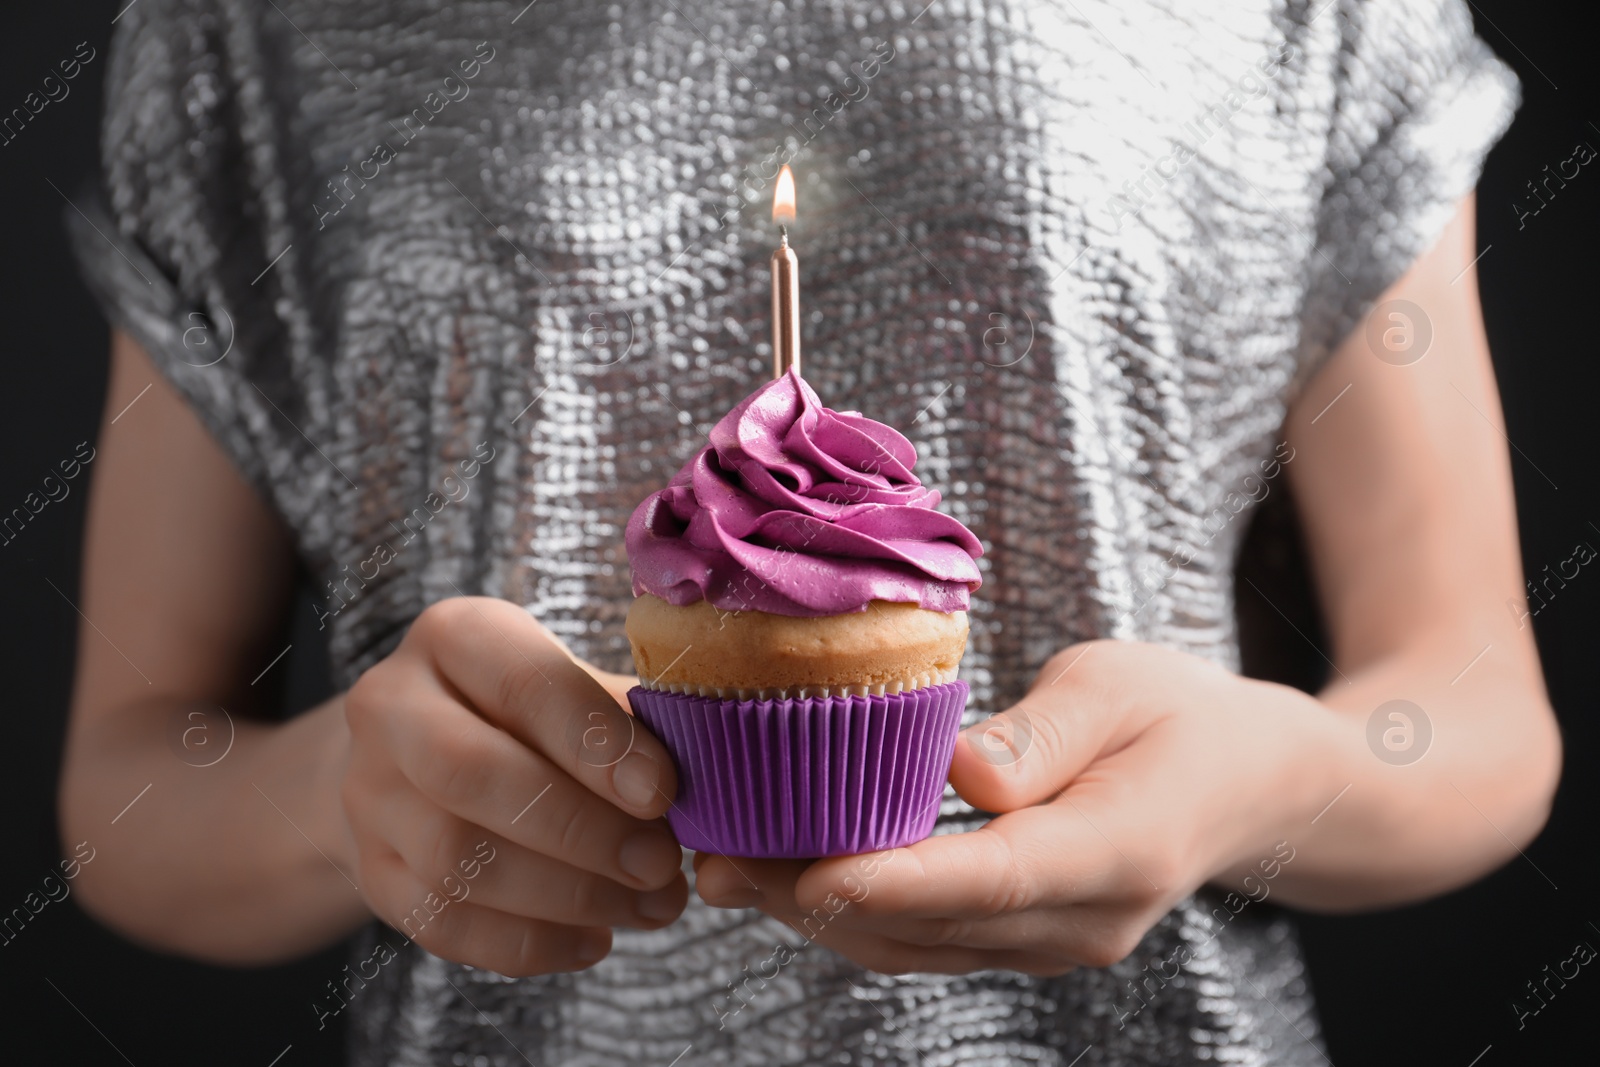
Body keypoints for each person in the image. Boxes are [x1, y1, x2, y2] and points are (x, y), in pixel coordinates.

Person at [59, 0, 1559, 1063]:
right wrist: (349, 796)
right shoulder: (240, 34)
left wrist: (1246, 786)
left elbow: (1478, 717)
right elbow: (128, 789)